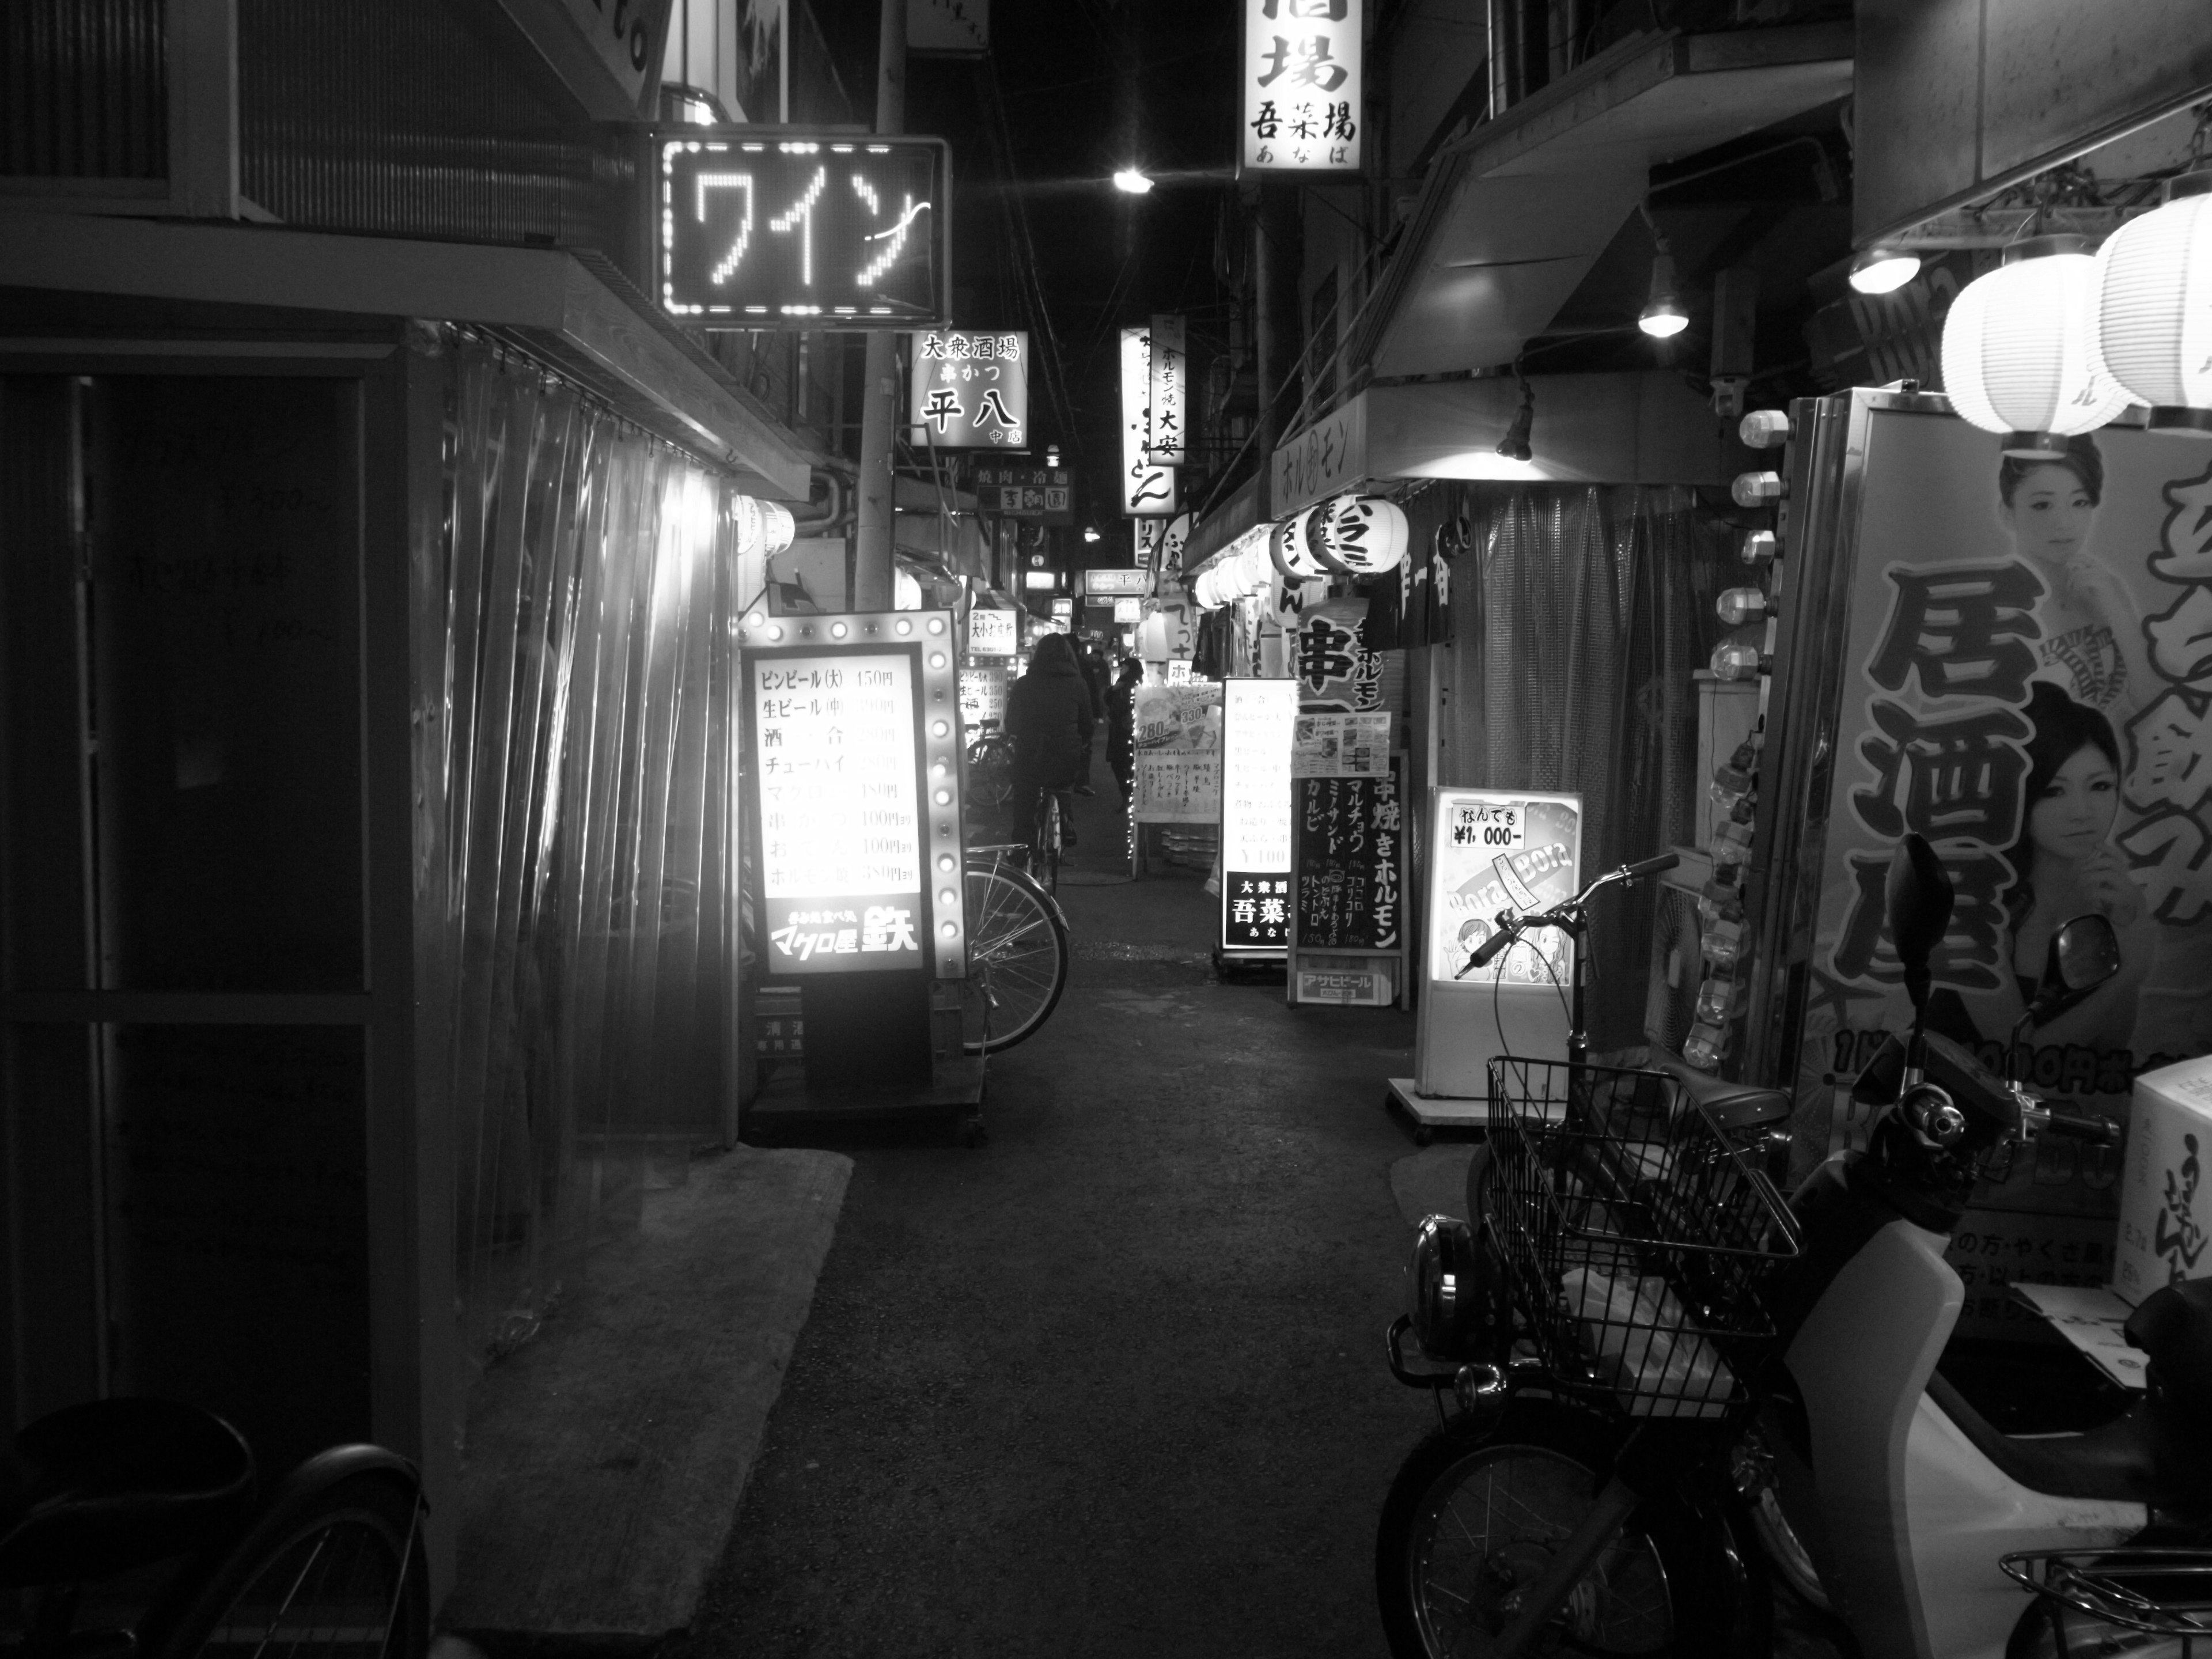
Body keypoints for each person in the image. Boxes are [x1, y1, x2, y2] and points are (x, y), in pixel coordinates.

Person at [1971, 683, 2154, 1054]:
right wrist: (2127, 974)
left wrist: (2117, 929)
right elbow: (2020, 1064)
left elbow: (2102, 1057)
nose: (2082, 812)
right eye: (2054, 791)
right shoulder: (1979, 906)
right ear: (2019, 795)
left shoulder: (2116, 901)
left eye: (2100, 786)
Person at [1994, 435, 2147, 720]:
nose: (2065, 522)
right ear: (2007, 514)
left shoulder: (2105, 585)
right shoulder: (1994, 605)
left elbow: (2155, 704)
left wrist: (2119, 614)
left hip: (2124, 760)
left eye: (2079, 502)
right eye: (2042, 505)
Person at [1005, 631, 1093, 851]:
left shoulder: (1024, 684)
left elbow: (1011, 725)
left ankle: (1020, 848)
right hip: (1065, 757)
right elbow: (1087, 725)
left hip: (1030, 756)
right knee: (1063, 787)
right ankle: (1066, 823)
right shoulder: (1078, 684)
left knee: (1024, 800)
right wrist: (1081, 743)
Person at [1074, 637, 1110, 796]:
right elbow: (1091, 691)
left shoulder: (1039, 669)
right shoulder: (1084, 665)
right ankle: (1081, 782)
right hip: (1080, 713)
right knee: (1083, 746)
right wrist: (1094, 716)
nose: (1095, 658)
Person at [1106, 656, 1143, 802]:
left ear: (1129, 668)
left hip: (1122, 728)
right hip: (1131, 728)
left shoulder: (1125, 683)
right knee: (1128, 763)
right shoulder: (1138, 682)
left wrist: (1112, 690)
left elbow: (1116, 703)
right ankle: (1132, 796)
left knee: (1120, 763)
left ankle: (1128, 796)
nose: (1121, 670)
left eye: (1124, 667)